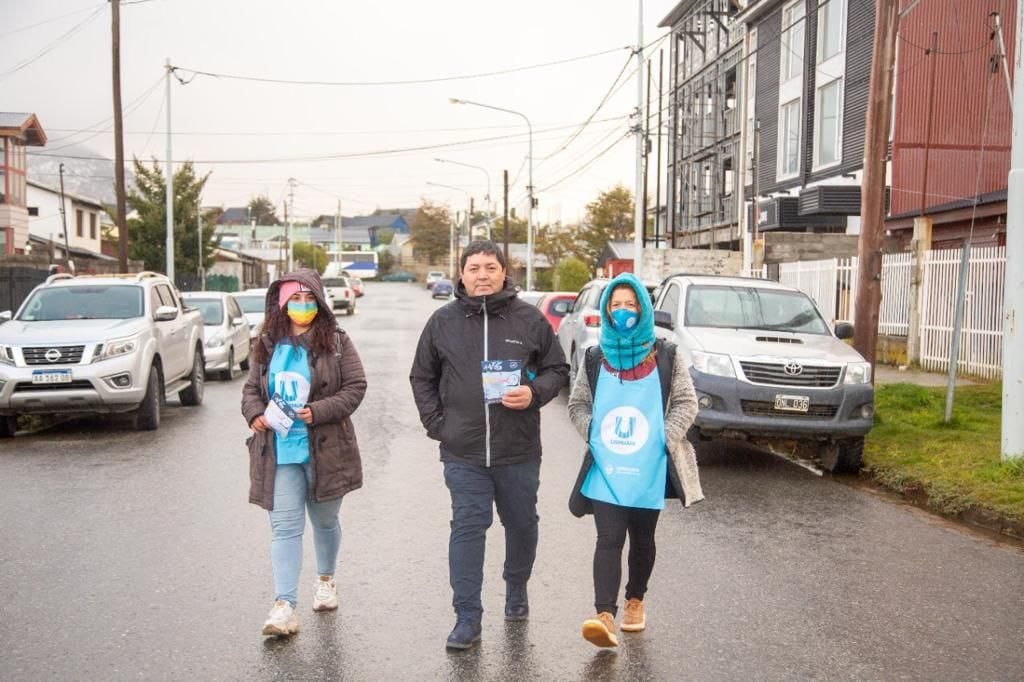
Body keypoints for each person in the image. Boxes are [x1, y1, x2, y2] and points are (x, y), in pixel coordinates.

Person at [410, 240, 569, 650]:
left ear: (504, 272)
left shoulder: (529, 320)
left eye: (490, 267)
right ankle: (467, 617)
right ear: (461, 274)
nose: (482, 274)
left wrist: (533, 393)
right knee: (467, 527)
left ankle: (516, 586)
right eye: (474, 267)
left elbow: (557, 369)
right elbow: (422, 377)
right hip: (462, 451)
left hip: (517, 449)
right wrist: (437, 425)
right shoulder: (442, 322)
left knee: (522, 525)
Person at [567, 272, 704, 648]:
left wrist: (664, 437)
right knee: (608, 538)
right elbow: (577, 405)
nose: (623, 311)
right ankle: (604, 615)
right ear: (607, 311)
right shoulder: (595, 357)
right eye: (616, 304)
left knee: (642, 538)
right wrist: (594, 433)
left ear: (643, 308)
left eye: (631, 304)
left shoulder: (667, 356)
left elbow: (686, 403)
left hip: (649, 466)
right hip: (607, 467)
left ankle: (635, 600)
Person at [241, 269, 367, 637]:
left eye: (308, 298)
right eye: (294, 299)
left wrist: (320, 411)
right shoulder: (266, 343)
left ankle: (326, 579)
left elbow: (356, 387)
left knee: (325, 521)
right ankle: (284, 606)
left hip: (326, 449)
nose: (302, 305)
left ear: (319, 301)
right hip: (279, 450)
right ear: (281, 304)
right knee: (284, 529)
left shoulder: (337, 340)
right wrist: (255, 415)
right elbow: (251, 390)